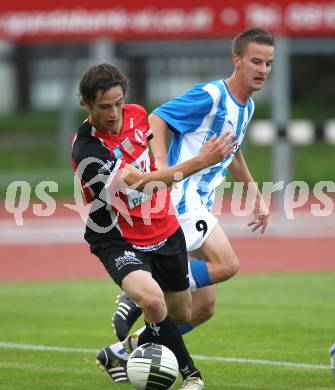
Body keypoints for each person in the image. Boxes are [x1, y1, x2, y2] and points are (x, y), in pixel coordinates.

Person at [71, 63, 236, 390]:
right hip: (117, 236)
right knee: (153, 303)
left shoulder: (136, 114)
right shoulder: (88, 149)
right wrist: (197, 163)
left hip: (163, 227)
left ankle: (118, 353)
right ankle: (192, 376)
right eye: (104, 106)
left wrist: (164, 165)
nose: (115, 112)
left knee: (183, 315)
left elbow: (150, 154)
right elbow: (137, 184)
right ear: (86, 105)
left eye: (118, 103)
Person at [112, 27, 274, 342]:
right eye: (256, 61)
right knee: (226, 264)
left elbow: (233, 150)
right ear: (236, 60)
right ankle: (142, 289)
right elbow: (158, 117)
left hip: (201, 202)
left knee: (202, 308)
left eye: (268, 63)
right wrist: (161, 165)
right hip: (183, 198)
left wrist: (254, 193)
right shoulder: (212, 95)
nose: (263, 70)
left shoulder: (248, 107)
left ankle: (130, 348)